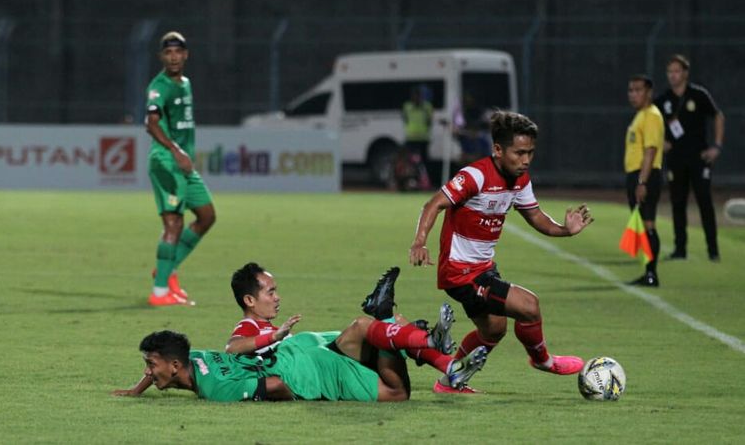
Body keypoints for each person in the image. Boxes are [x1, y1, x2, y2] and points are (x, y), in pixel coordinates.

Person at [409, 110, 594, 393]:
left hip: (483, 269)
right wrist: (419, 242)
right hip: (461, 273)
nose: (526, 160)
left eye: (530, 153)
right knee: (528, 306)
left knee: (494, 330)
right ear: (497, 149)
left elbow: (537, 218)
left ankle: (450, 380)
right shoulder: (475, 176)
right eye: (519, 153)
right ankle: (543, 361)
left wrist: (565, 229)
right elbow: (432, 205)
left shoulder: (520, 180)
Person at [112, 305, 488, 402]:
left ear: (175, 365)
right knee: (367, 329)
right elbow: (163, 359)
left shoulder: (214, 390)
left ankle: (413, 336)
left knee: (397, 394)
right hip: (299, 346)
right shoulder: (195, 357)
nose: (147, 370)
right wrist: (136, 388)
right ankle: (438, 354)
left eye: (150, 365)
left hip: (309, 370)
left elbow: (274, 386)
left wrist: (301, 393)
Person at [223, 261, 485, 391]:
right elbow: (232, 348)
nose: (277, 297)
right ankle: (421, 336)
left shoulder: (267, 327)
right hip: (326, 362)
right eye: (270, 292)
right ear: (249, 300)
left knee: (397, 325)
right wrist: (272, 338)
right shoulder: (249, 326)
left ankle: (451, 367)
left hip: (328, 353)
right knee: (370, 326)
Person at [144, 32, 216, 306]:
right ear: (162, 57)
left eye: (178, 52)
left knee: (207, 216)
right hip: (166, 161)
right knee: (173, 222)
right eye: (168, 52)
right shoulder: (159, 87)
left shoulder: (185, 83)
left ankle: (167, 268)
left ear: (186, 55)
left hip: (183, 163)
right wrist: (176, 151)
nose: (173, 57)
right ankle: (160, 292)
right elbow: (151, 123)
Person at [654, 54, 725, 261]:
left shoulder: (699, 95)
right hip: (676, 159)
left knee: (704, 202)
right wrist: (661, 142)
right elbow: (651, 124)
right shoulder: (664, 100)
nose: (673, 76)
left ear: (685, 73)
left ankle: (713, 250)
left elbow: (718, 116)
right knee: (677, 203)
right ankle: (680, 249)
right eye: (670, 72)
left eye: (677, 71)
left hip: (699, 158)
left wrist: (717, 146)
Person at [625, 75, 665, 287]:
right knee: (642, 224)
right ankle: (648, 271)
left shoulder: (651, 115)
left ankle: (651, 274)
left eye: (638, 90)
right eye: (631, 90)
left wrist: (642, 181)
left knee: (648, 223)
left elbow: (650, 151)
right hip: (637, 175)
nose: (633, 94)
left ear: (648, 92)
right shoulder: (641, 115)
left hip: (645, 175)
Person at [401, 86, 434, 174]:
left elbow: (429, 121)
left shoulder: (427, 106)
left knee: (425, 161)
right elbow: (405, 119)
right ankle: (412, 177)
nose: (416, 98)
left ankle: (425, 179)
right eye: (414, 96)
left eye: (418, 96)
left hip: (423, 138)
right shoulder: (407, 106)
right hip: (411, 137)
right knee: (410, 160)